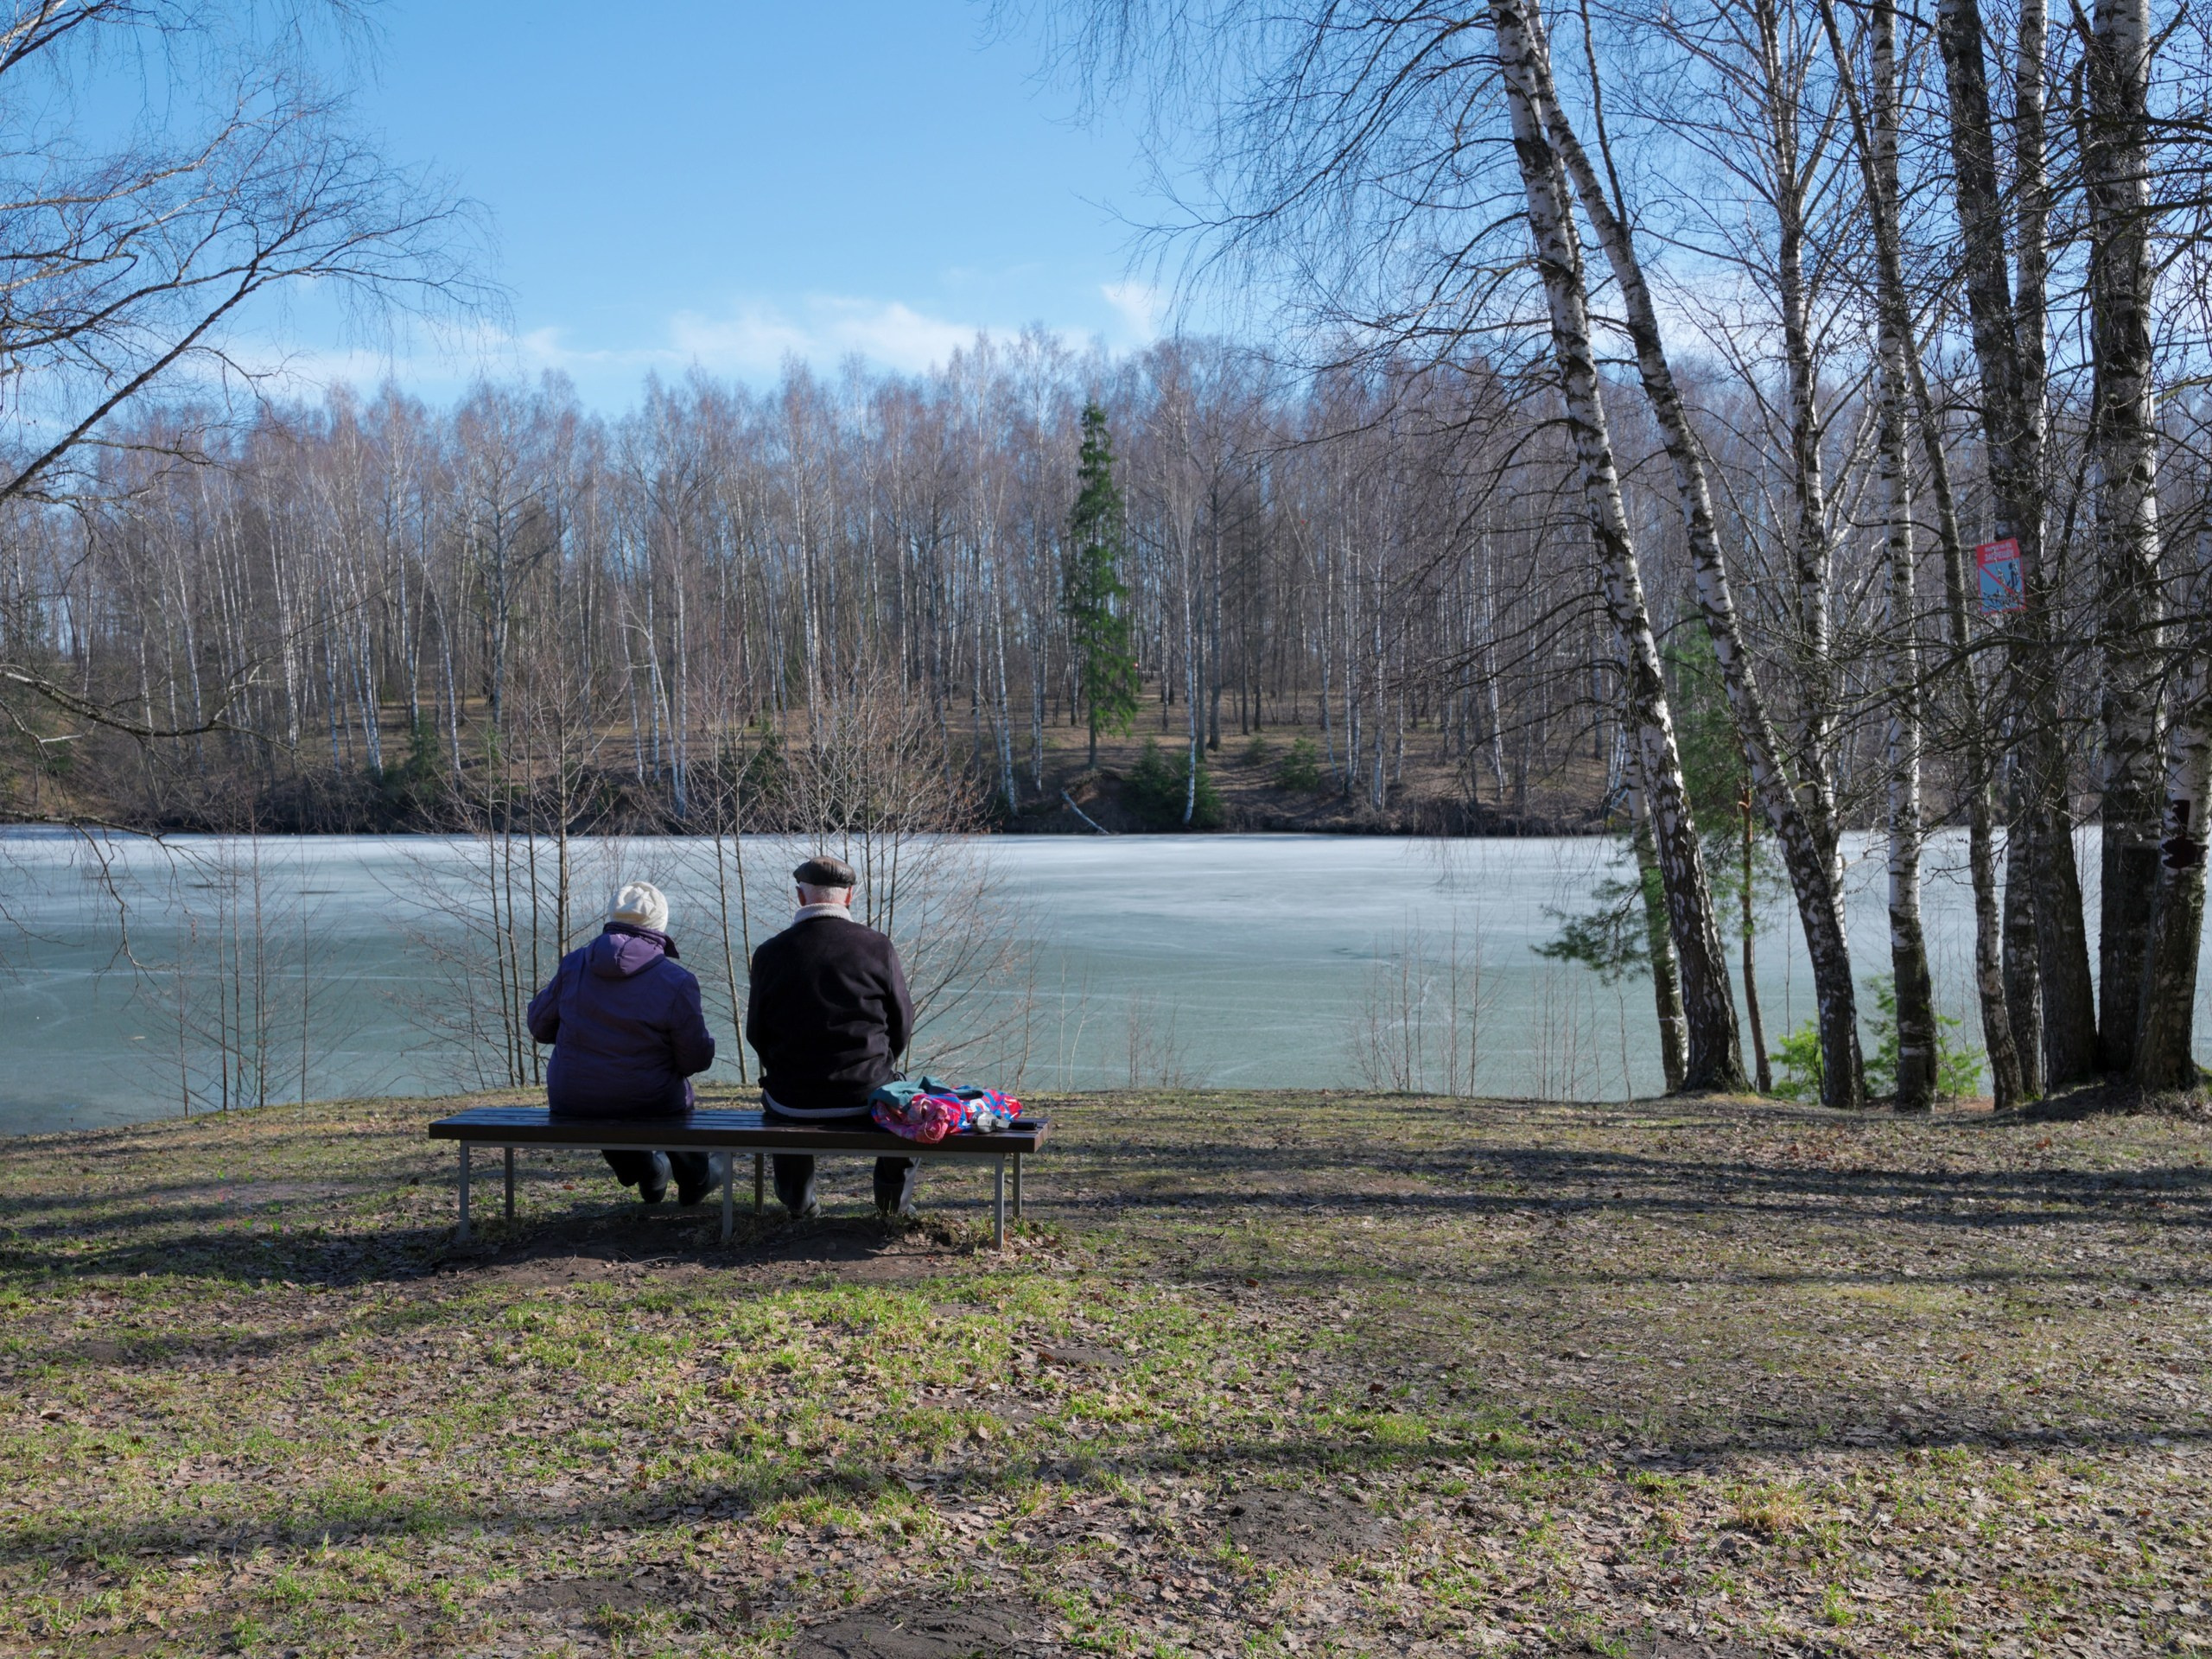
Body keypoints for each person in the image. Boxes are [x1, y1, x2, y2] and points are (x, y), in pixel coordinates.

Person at [744, 854, 922, 1217]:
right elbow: (902, 1023)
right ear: (850, 896)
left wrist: (784, 1066)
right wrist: (880, 1064)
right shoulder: (878, 947)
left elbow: (756, 1032)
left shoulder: (769, 953)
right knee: (907, 1105)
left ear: (800, 896)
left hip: (791, 1099)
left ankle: (799, 1202)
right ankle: (892, 1206)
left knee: (781, 1105)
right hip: (865, 1094)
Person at [526, 880, 718, 1205]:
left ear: (612, 917)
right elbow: (694, 1060)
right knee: (666, 1096)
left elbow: (539, 1027)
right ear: (660, 925)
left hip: (573, 1099)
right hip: (653, 1101)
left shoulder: (573, 965)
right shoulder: (676, 980)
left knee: (602, 1094)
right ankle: (695, 1178)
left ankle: (647, 1171)